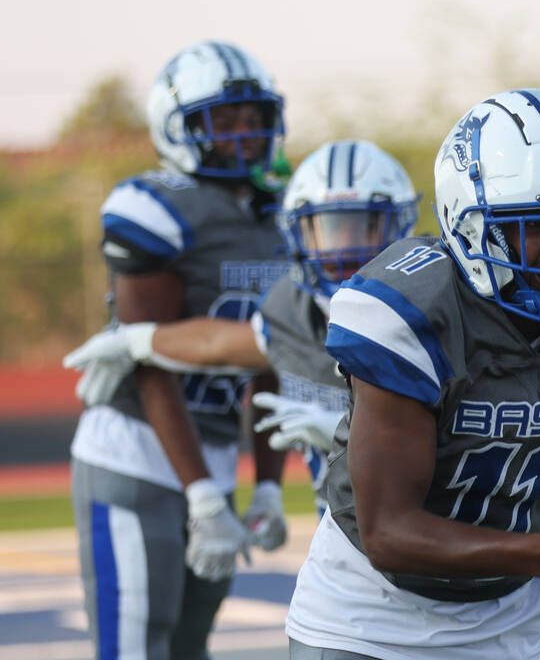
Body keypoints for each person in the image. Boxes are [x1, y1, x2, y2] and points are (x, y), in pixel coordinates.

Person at [284, 88, 540, 659]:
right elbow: (390, 532)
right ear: (473, 225)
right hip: (368, 618)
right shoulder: (411, 310)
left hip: (506, 620)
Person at [67, 41, 293, 659]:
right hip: (137, 452)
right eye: (227, 121)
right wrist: (199, 492)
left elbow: (270, 358)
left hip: (215, 448)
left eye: (255, 118)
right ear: (181, 127)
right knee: (139, 645)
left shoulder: (278, 215)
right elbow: (149, 361)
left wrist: (267, 485)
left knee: (190, 647)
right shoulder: (155, 208)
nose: (247, 136)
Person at [64, 139, 422, 517]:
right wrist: (136, 340)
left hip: (418, 525)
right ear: (296, 235)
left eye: (364, 228)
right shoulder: (293, 307)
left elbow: (460, 432)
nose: (342, 250)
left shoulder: (427, 307)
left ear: (400, 227)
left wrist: (352, 433)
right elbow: (217, 341)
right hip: (342, 533)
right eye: (328, 229)